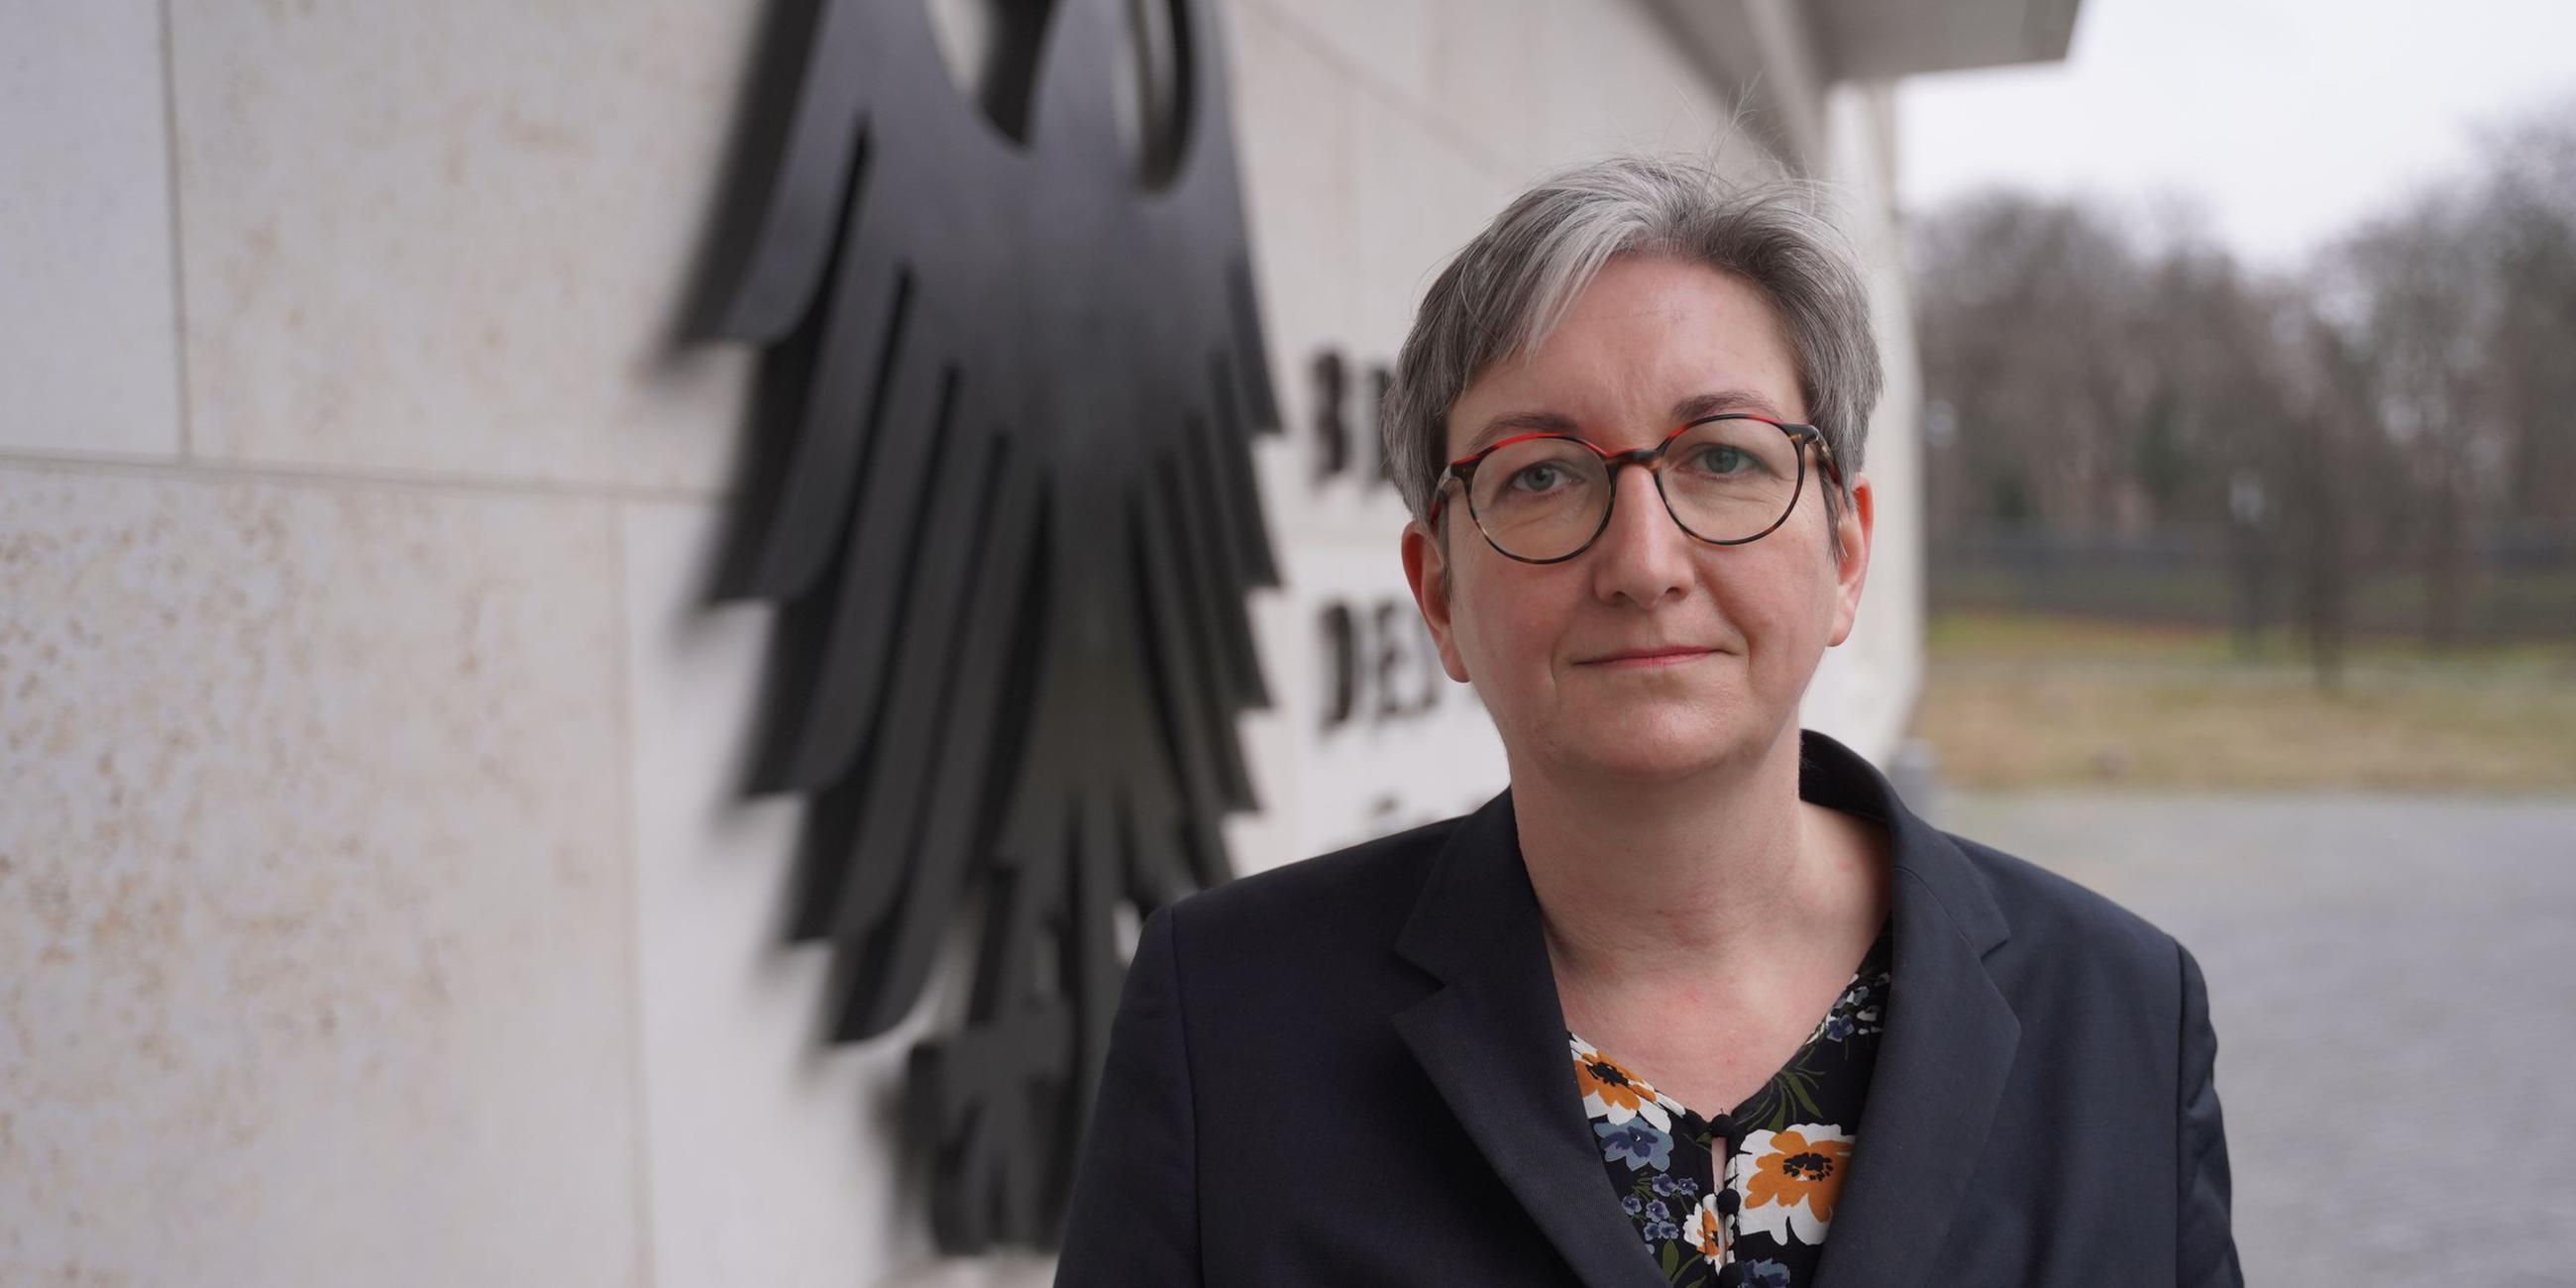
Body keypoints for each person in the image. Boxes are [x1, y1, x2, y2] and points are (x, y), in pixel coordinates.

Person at [1055, 156, 2241, 1287]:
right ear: (1438, 595)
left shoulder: (2119, 1016)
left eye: (1720, 456)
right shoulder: (1227, 1018)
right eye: (1539, 473)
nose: (1641, 561)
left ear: (1843, 552)